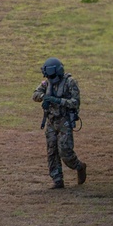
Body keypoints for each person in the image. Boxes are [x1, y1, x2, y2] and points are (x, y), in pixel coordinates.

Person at [33, 57, 86, 189]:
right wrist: (44, 97)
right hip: (51, 121)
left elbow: (75, 102)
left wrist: (58, 101)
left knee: (65, 151)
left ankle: (79, 166)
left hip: (64, 120)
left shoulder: (70, 82)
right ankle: (57, 180)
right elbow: (35, 94)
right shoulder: (47, 83)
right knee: (52, 151)